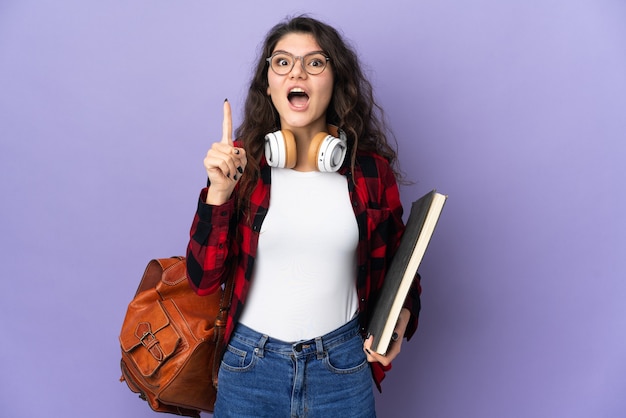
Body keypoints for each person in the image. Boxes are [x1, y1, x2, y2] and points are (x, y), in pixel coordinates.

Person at [186, 15, 421, 418]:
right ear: (269, 84)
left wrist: (402, 315)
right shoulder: (241, 166)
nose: (297, 72)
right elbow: (203, 279)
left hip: (342, 369)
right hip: (250, 367)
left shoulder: (370, 173)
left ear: (335, 80)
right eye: (282, 62)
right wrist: (219, 192)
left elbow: (402, 267)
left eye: (314, 62)